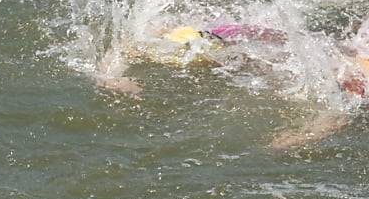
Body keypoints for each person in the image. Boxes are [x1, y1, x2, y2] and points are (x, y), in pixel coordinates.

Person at [95, 20, 367, 148]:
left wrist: (301, 137)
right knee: (185, 45)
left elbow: (340, 112)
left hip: (253, 42)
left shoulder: (352, 63)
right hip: (242, 41)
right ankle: (107, 74)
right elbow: (340, 113)